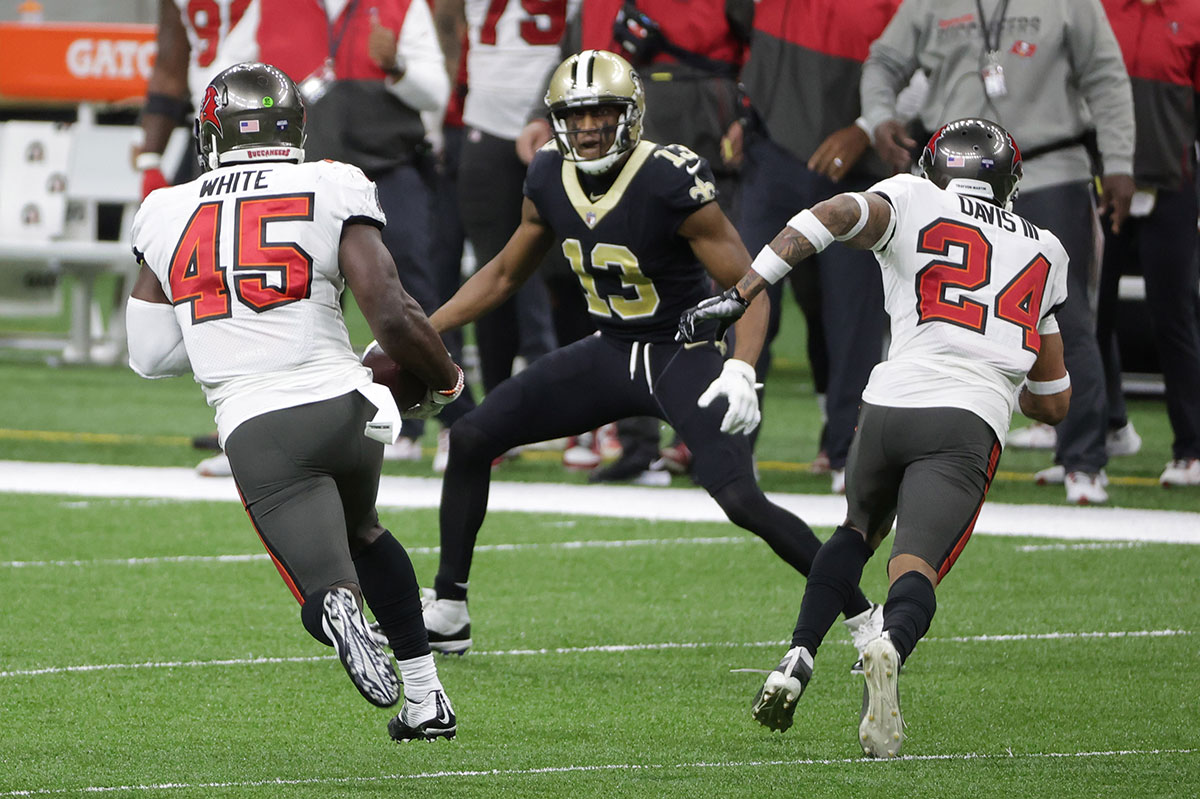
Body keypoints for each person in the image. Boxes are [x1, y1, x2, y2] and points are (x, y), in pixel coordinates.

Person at [420, 49, 879, 657]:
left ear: (631, 114)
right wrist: (420, 332)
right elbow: (504, 274)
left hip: (680, 353)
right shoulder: (547, 173)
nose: (587, 128)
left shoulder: (666, 175)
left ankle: (864, 617)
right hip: (609, 350)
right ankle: (450, 609)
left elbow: (751, 286)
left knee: (741, 500)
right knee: (474, 438)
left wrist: (741, 366)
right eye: (575, 116)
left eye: (601, 113)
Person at [679, 118, 1071, 757]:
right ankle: (888, 643)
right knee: (914, 567)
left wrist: (746, 289)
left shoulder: (915, 198)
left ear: (933, 168)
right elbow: (1054, 401)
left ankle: (798, 654)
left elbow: (833, 212)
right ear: (1009, 182)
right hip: (966, 416)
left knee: (856, 530)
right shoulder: (1048, 249)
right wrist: (1014, 381)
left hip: (889, 401)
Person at [125, 63, 463, 742]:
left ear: (211, 133)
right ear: (295, 129)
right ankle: (427, 702)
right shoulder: (334, 182)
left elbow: (150, 354)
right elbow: (392, 314)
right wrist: (449, 380)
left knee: (325, 583)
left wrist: (225, 319)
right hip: (351, 407)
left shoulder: (166, 207)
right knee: (366, 531)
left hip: (260, 426)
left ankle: (339, 609)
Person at [860, 0, 1134, 505]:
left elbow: (1106, 75)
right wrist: (877, 117)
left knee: (1064, 314)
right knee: (930, 309)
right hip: (949, 182)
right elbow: (883, 60)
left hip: (1049, 167)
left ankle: (1082, 459)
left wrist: (1118, 158)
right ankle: (922, 450)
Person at [723, 0, 899, 493]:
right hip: (769, 154)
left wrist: (867, 128)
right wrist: (749, 111)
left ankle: (849, 452)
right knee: (750, 297)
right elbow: (739, 38)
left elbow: (921, 60)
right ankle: (735, 449)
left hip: (856, 165)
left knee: (853, 318)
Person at [1094, 0, 1200, 488]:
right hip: (1100, 185)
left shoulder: (1193, 15)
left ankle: (1191, 449)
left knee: (1173, 314)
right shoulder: (1100, 11)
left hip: (1170, 184)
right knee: (1089, 314)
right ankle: (1099, 432)